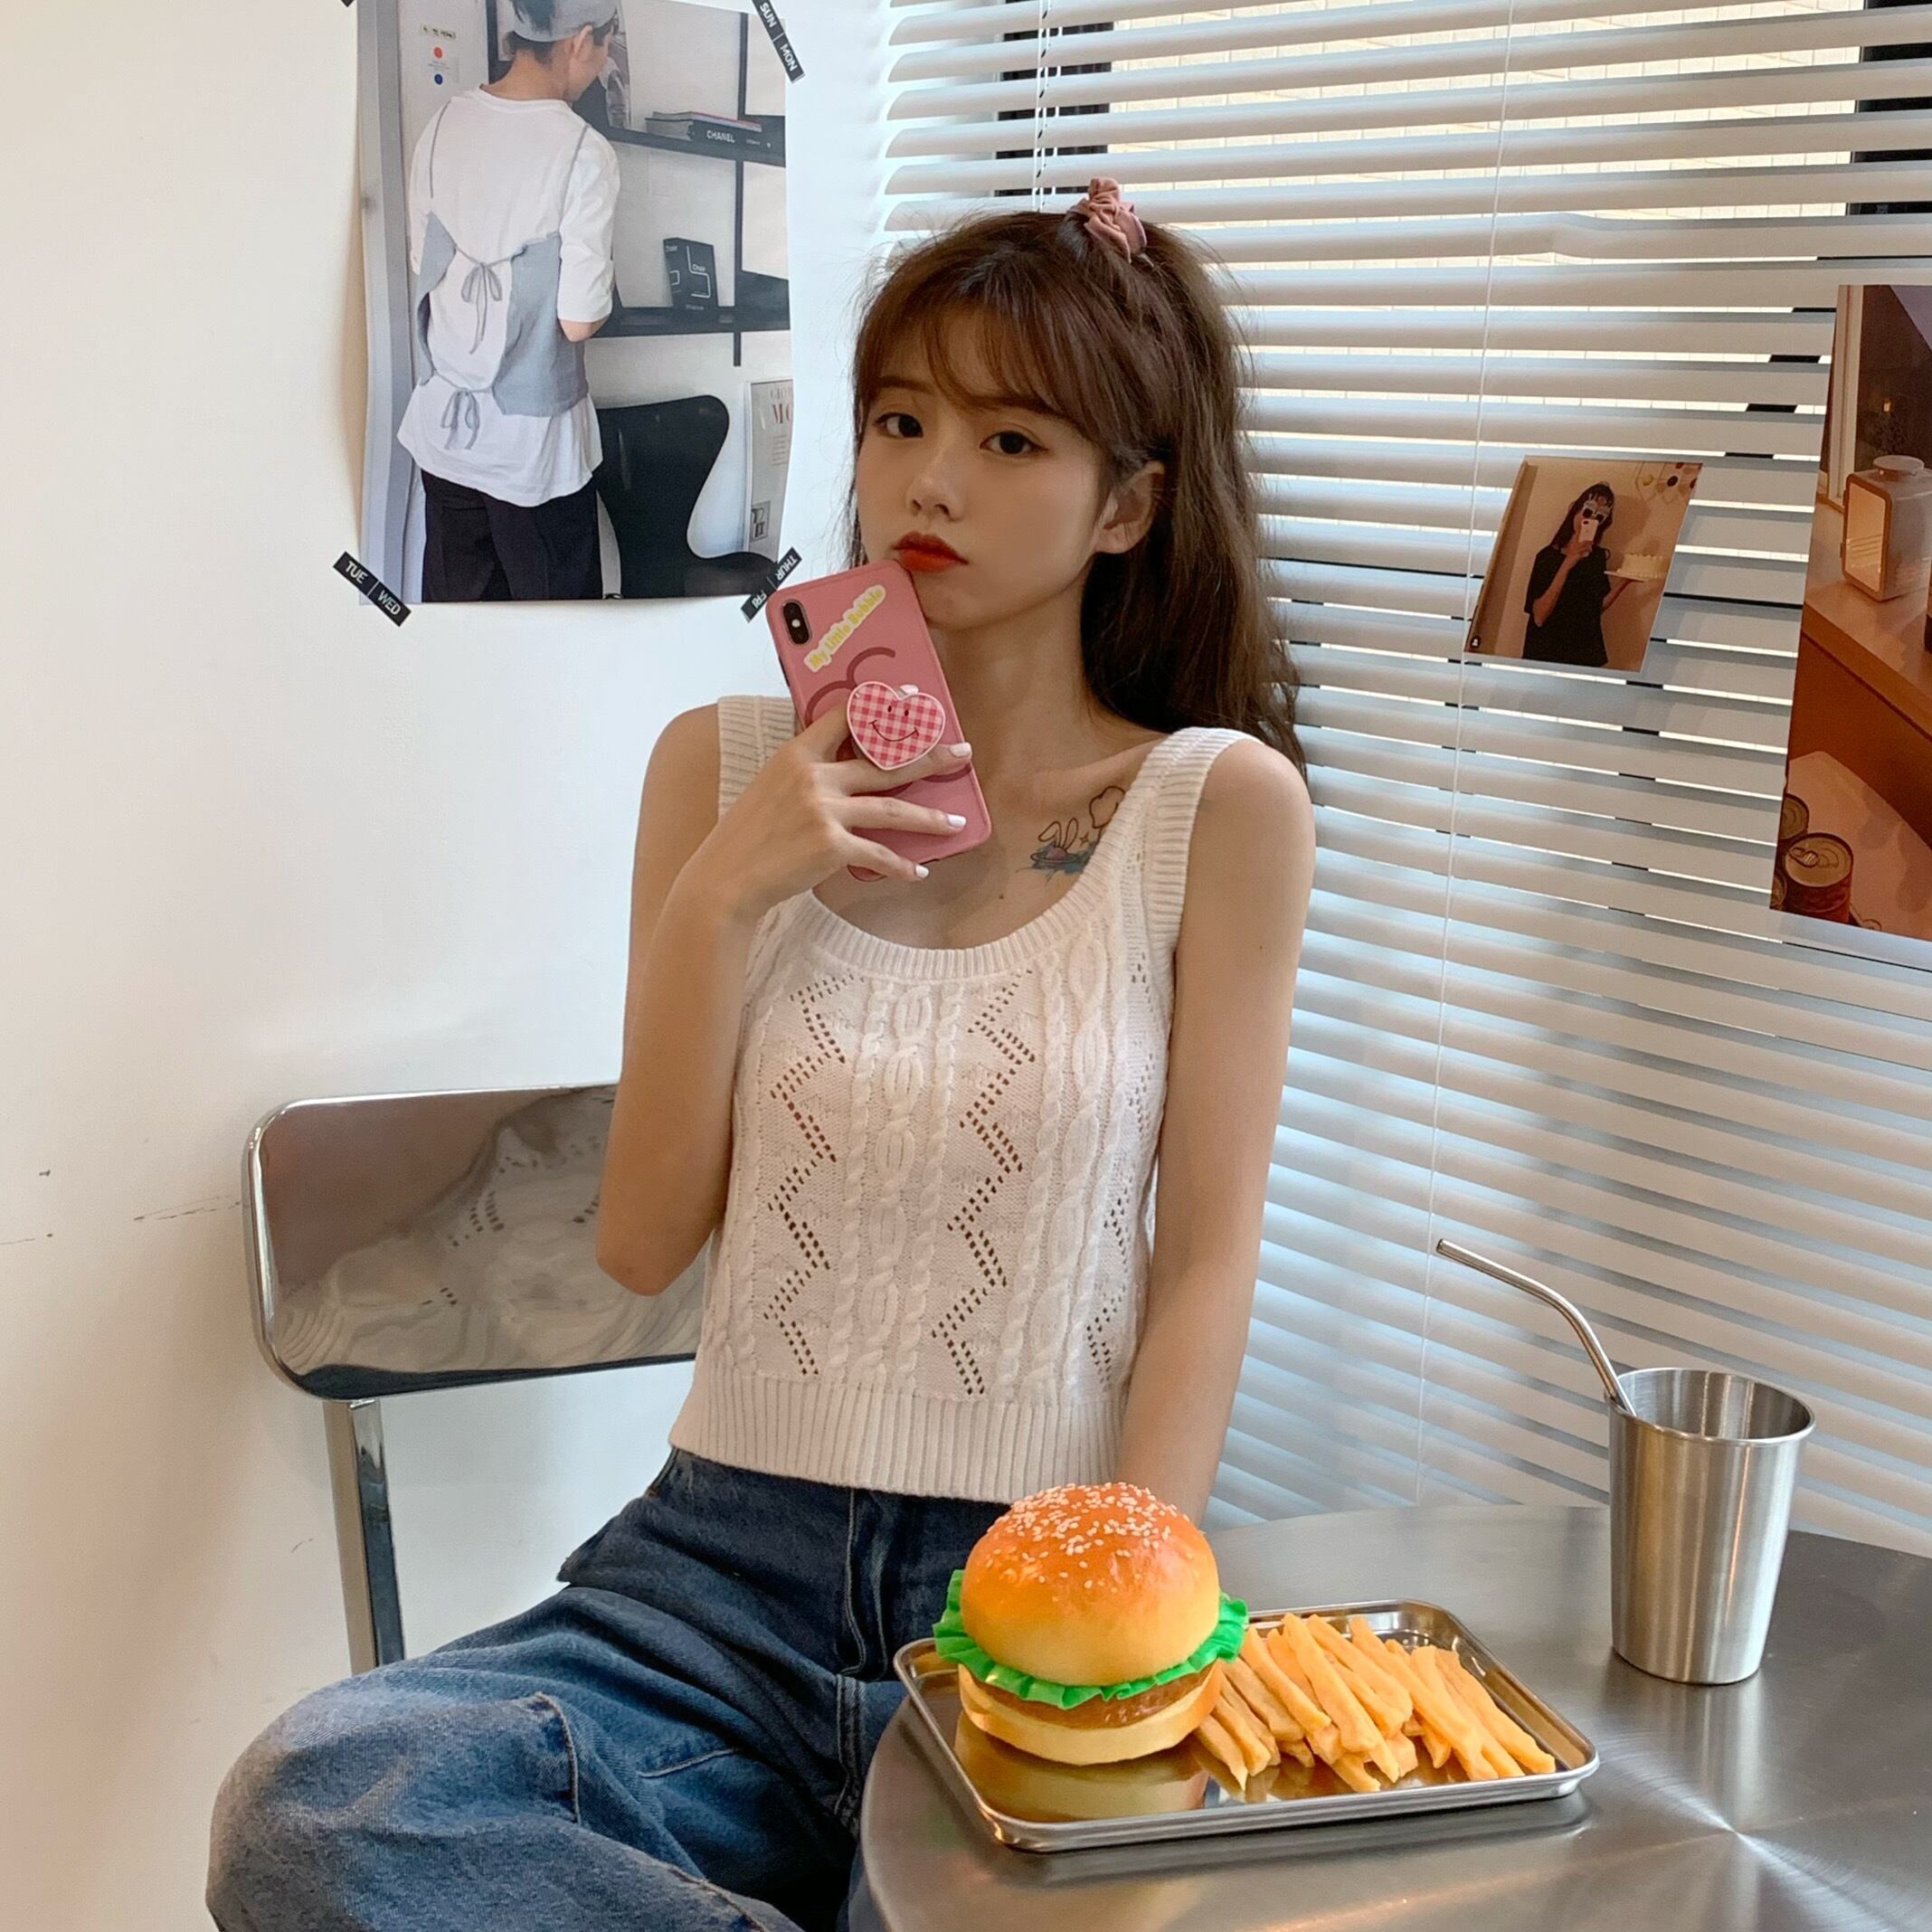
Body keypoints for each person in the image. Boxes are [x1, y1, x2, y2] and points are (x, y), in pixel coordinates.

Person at [208, 177, 1316, 1931]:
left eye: (1010, 440)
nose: (928, 481)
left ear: (1128, 505)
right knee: (320, 1812)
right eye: (901, 421)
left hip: (1020, 1585)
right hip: (713, 1581)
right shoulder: (720, 772)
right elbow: (643, 1241)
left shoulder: (1213, 809)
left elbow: (1205, 1264)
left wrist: (1124, 1618)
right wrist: (730, 892)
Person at [398, 0, 621, 602]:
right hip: (533, 450)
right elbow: (578, 321)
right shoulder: (583, 151)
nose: (601, 66)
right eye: (606, 48)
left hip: (446, 433)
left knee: (462, 628)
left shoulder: (443, 124)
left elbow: (425, 267)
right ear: (581, 40)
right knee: (555, 634)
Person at [1520, 481, 1635, 667]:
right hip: (1547, 652)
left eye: (1600, 517)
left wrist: (1624, 582)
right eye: (1588, 512)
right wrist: (1568, 562)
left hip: (1585, 652)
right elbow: (1539, 617)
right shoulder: (1547, 557)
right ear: (1574, 509)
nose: (1591, 520)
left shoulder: (1597, 557)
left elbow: (1596, 608)